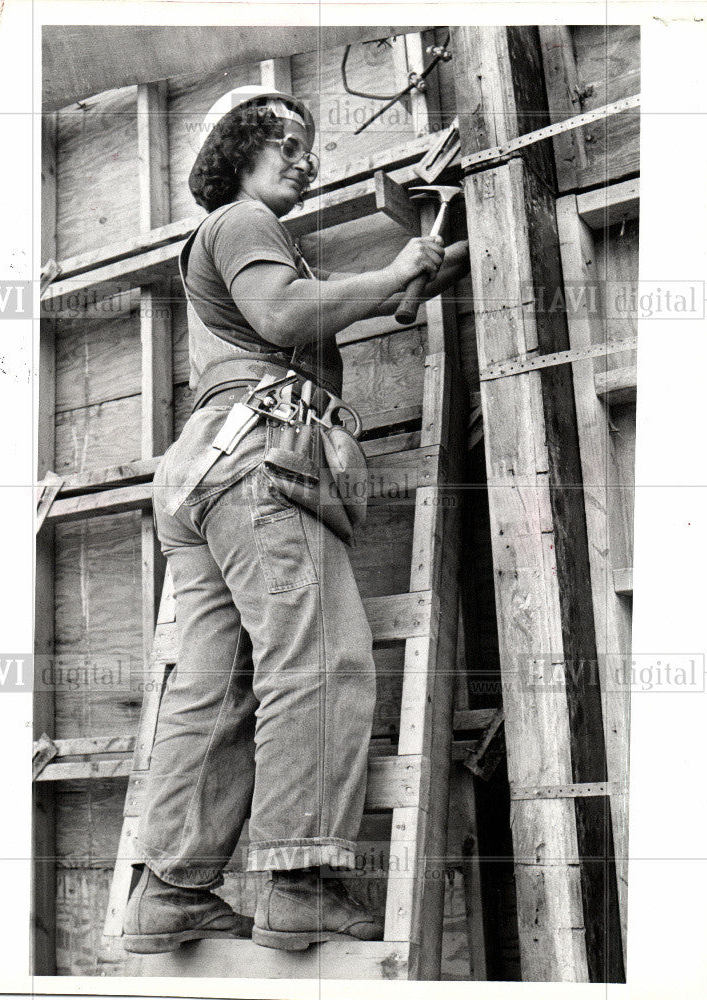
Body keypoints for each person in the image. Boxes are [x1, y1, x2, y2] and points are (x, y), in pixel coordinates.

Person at [122, 87, 470, 954]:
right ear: (240, 152)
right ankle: (300, 884)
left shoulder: (260, 250)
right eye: (287, 143)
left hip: (206, 472)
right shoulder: (243, 223)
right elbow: (282, 316)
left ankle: (170, 889)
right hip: (256, 463)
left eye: (310, 147)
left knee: (217, 688)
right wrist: (391, 273)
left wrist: (410, 284)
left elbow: (308, 316)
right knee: (319, 658)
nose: (305, 158)